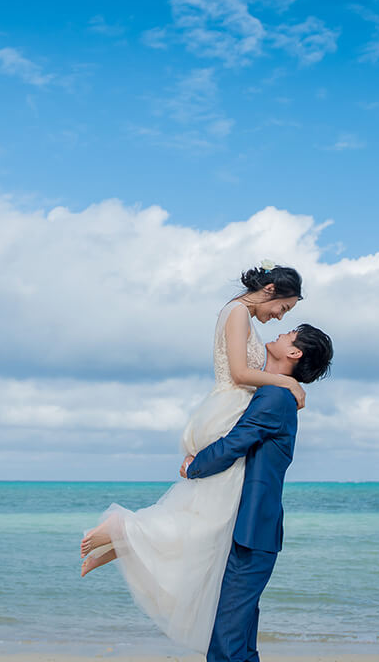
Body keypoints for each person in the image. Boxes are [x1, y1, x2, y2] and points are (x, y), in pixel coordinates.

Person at [79, 263, 304, 652]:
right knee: (212, 514)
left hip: (226, 408)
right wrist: (287, 380)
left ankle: (127, 540)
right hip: (228, 408)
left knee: (208, 514)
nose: (280, 317)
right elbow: (238, 371)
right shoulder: (237, 312)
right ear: (269, 290)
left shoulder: (242, 316)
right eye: (284, 308)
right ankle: (125, 531)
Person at [183, 323, 333, 662]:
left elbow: (236, 442)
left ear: (294, 353)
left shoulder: (275, 397)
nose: (280, 333)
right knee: (239, 637)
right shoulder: (277, 392)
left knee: (228, 642)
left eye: (289, 333)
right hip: (252, 530)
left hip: (253, 532)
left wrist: (193, 466)